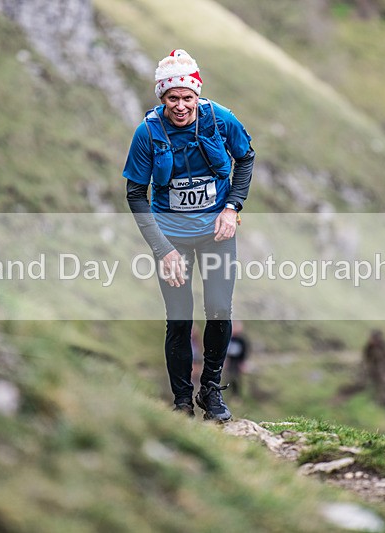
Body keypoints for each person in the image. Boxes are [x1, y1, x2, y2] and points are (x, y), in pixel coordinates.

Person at [123, 49, 255, 421]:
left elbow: (246, 158)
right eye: (172, 98)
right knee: (179, 318)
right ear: (161, 98)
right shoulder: (147, 133)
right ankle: (181, 401)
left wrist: (233, 207)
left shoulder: (221, 120)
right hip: (171, 237)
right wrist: (163, 250)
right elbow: (136, 194)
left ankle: (211, 392)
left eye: (187, 98)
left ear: (198, 95)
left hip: (216, 231)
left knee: (218, 309)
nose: (180, 106)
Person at [225, 320, 250, 397]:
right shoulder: (228, 338)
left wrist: (243, 363)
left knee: (237, 377)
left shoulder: (241, 340)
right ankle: (228, 393)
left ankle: (236, 394)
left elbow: (245, 351)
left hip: (238, 361)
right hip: (230, 360)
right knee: (228, 377)